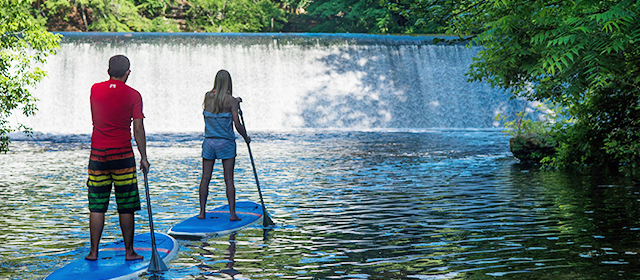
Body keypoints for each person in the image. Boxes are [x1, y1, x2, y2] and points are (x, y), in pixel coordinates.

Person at [85, 55, 149, 261]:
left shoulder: (95, 89)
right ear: (127, 73)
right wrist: (144, 157)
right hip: (122, 155)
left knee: (97, 205)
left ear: (108, 71)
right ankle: (129, 252)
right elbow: (138, 128)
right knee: (126, 204)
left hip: (98, 155)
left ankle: (93, 252)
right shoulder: (134, 95)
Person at [198, 69, 250, 221]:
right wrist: (245, 137)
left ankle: (202, 212)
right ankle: (233, 215)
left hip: (209, 142)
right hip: (226, 143)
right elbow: (237, 124)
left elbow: (218, 101)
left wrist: (235, 101)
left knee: (205, 178)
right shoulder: (231, 101)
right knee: (229, 179)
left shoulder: (207, 97)